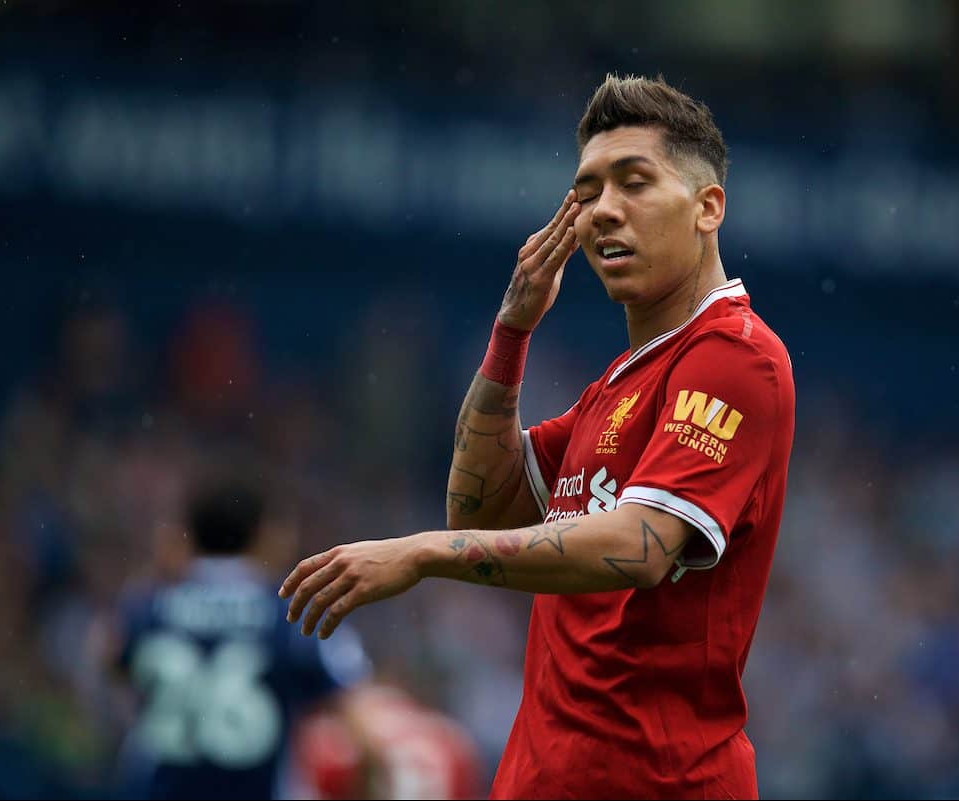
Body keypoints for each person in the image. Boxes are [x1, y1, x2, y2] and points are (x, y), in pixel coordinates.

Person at [281, 74, 796, 799]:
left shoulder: (735, 355)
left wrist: (425, 552)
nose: (604, 212)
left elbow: (638, 546)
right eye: (587, 193)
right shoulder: (612, 390)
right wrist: (512, 331)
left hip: (655, 784)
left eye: (634, 182)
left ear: (708, 206)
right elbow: (480, 507)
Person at [109, 474, 372, 800]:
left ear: (187, 534)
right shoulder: (291, 613)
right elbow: (359, 724)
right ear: (264, 533)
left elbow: (110, 660)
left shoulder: (148, 606)